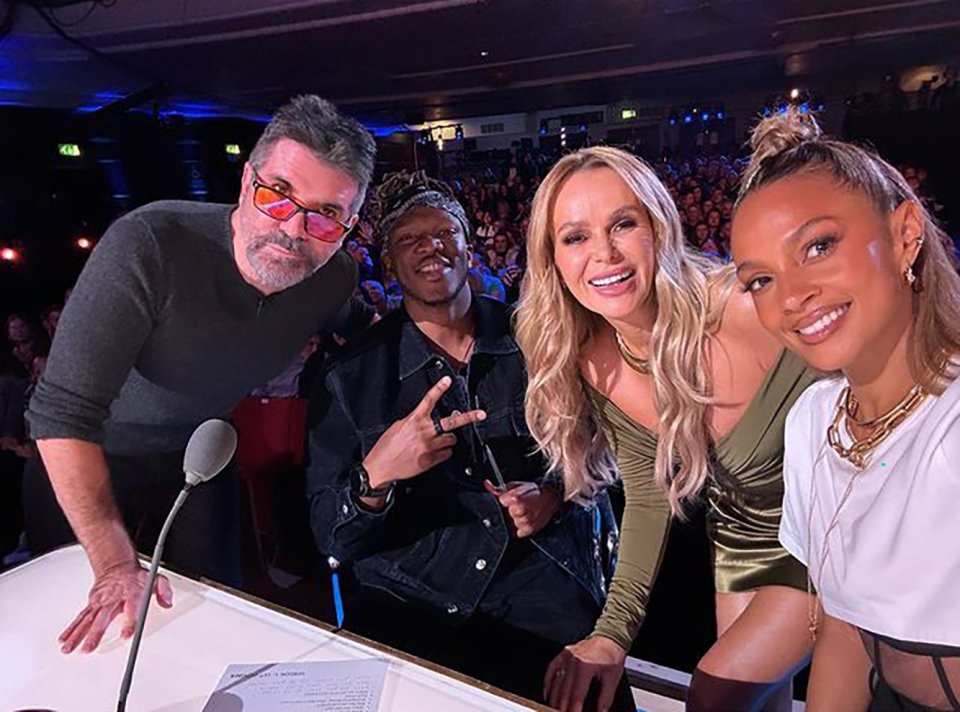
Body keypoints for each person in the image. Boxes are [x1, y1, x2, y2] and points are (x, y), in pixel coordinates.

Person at [24, 94, 376, 654]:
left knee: (211, 620)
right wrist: (115, 561)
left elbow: (370, 330)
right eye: (279, 194)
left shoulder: (333, 276)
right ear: (245, 183)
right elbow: (61, 412)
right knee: (88, 636)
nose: (294, 230)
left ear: (349, 224)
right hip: (87, 458)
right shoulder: (150, 244)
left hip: (198, 458)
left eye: (326, 215)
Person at [306, 170, 631, 708]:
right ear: (388, 262)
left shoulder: (539, 342)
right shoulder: (349, 377)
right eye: (410, 240)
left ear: (469, 244)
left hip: (541, 586)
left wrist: (554, 494)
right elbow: (329, 535)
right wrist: (376, 476)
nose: (430, 248)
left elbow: (608, 456)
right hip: (413, 602)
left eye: (443, 233)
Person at [515, 146, 819, 712]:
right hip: (746, 546)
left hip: (841, 534)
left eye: (623, 224)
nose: (604, 253)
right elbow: (650, 499)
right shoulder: (595, 360)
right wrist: (612, 635)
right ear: (551, 258)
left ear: (658, 227)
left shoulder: (741, 307)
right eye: (575, 237)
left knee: (717, 694)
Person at [731, 111, 960, 712]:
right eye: (759, 280)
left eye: (818, 246)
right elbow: (844, 627)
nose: (791, 297)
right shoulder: (814, 420)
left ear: (906, 232)